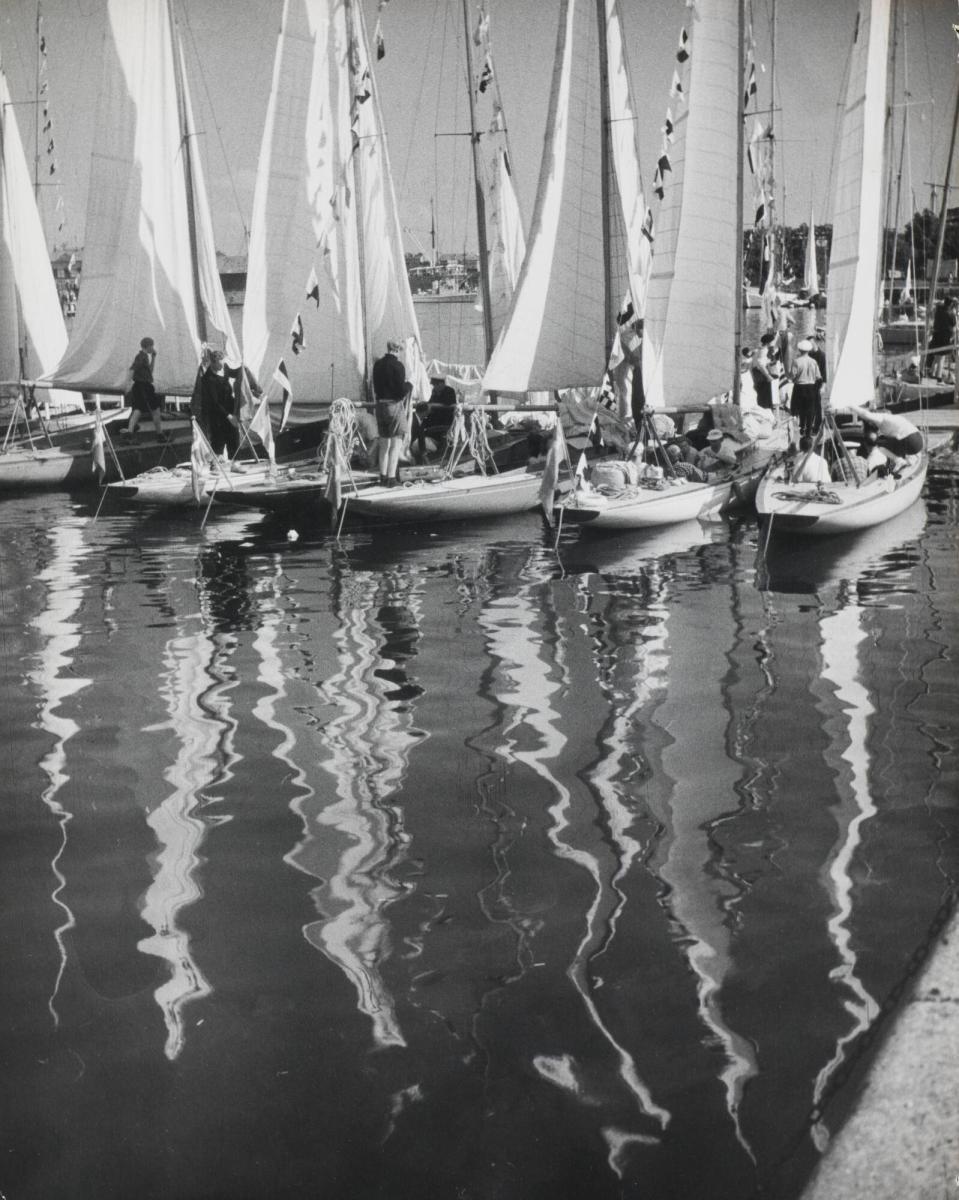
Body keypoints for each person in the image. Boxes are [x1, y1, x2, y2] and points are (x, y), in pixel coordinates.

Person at [371, 337, 412, 486]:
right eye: (401, 350)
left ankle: (382, 476)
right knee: (396, 442)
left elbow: (375, 386)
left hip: (380, 406)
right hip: (393, 407)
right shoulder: (398, 366)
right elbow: (400, 392)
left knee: (384, 443)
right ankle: (391, 478)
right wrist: (409, 385)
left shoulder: (377, 365)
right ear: (397, 350)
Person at [192, 347, 240, 457]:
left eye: (223, 363)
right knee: (218, 442)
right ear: (213, 363)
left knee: (234, 441)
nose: (222, 366)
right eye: (220, 364)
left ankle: (234, 464)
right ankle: (216, 466)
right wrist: (229, 417)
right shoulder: (208, 379)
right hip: (217, 416)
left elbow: (235, 372)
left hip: (230, 411)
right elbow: (214, 402)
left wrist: (243, 369)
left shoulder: (224, 368)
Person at [841, 404, 923, 458]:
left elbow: (865, 414)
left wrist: (851, 406)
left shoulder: (882, 418)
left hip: (910, 440)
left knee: (879, 446)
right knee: (885, 441)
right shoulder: (894, 419)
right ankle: (903, 458)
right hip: (918, 439)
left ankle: (898, 461)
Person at [411, 375, 458, 461]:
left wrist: (434, 405)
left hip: (443, 422)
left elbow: (448, 403)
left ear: (441, 384)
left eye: (435, 385)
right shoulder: (435, 391)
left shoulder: (449, 391)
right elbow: (430, 402)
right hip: (432, 422)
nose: (434, 387)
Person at [125, 336, 163, 437]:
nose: (153, 348)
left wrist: (154, 358)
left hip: (140, 386)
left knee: (138, 409)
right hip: (143, 386)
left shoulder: (145, 357)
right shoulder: (141, 356)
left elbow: (150, 371)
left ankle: (129, 432)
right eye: (152, 346)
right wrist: (128, 384)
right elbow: (132, 369)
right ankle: (159, 434)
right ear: (149, 346)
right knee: (155, 409)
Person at [789, 339, 822, 437]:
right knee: (810, 409)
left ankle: (802, 427)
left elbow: (792, 376)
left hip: (799, 386)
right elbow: (818, 376)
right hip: (811, 387)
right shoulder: (813, 362)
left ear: (800, 350)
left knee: (800, 408)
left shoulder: (796, 361)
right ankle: (808, 429)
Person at [927, 296, 956, 381]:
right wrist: (952, 337)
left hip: (937, 335)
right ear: (950, 304)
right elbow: (954, 325)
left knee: (937, 355)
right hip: (945, 336)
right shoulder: (951, 313)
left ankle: (931, 372)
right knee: (941, 357)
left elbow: (937, 306)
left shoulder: (938, 310)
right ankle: (939, 376)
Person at [750, 332, 778, 410]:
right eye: (772, 341)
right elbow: (761, 365)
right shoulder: (764, 351)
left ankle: (764, 409)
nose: (773, 343)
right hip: (761, 376)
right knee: (764, 395)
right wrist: (768, 376)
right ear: (769, 342)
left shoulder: (760, 349)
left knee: (761, 394)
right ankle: (765, 410)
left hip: (757, 374)